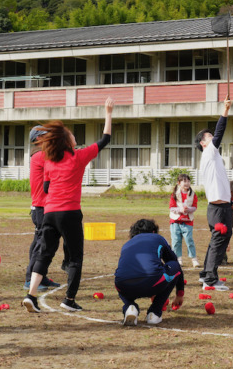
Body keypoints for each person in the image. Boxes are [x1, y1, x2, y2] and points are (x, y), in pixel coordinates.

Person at [23, 98, 114, 314]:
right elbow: (105, 139)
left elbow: (46, 188)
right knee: (75, 258)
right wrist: (108, 113)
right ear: (67, 141)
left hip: (49, 212)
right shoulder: (78, 156)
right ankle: (69, 299)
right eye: (72, 135)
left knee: (45, 254)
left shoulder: (49, 161)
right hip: (70, 212)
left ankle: (31, 295)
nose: (75, 137)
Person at [114, 219, 185, 326]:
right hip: (152, 281)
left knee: (120, 277)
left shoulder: (127, 244)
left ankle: (129, 306)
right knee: (173, 265)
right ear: (153, 231)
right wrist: (180, 293)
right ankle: (154, 313)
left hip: (123, 285)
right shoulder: (157, 238)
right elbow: (174, 264)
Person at [195, 96, 233, 291]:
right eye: (208, 137)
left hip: (220, 206)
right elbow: (219, 132)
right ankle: (210, 280)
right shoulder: (209, 152)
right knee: (219, 242)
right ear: (203, 143)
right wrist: (225, 109)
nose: (212, 138)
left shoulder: (213, 157)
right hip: (217, 208)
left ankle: (206, 275)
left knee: (217, 241)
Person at [23, 126, 62, 291]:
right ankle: (30, 278)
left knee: (41, 241)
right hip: (41, 207)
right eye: (47, 135)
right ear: (39, 139)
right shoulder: (41, 155)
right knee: (41, 243)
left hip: (42, 206)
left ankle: (40, 275)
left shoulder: (40, 155)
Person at [169, 173, 199, 268]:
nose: (187, 183)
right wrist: (180, 210)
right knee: (176, 240)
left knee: (189, 240)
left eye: (188, 181)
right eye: (184, 181)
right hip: (175, 221)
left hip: (188, 221)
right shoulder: (175, 194)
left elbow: (194, 206)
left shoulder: (193, 194)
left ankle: (194, 259)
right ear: (179, 183)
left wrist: (188, 210)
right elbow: (171, 207)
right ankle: (178, 259)